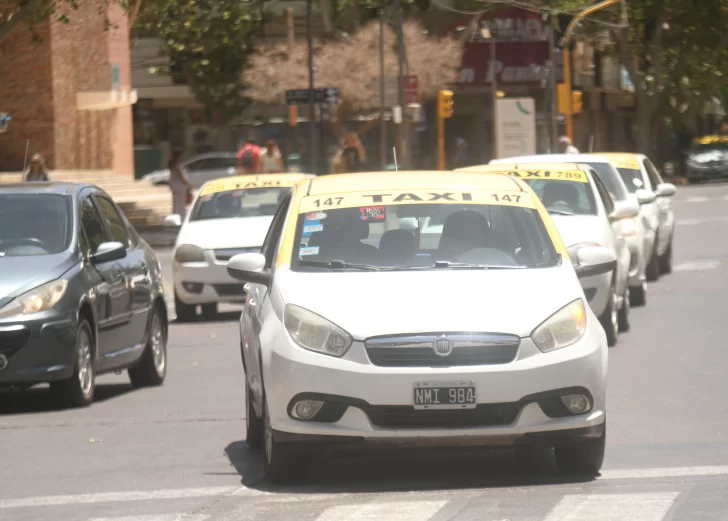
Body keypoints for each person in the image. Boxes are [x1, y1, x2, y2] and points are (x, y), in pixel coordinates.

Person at [169, 149, 193, 217]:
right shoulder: (176, 166)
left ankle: (179, 216)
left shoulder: (177, 165)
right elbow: (181, 177)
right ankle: (180, 216)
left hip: (179, 187)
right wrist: (189, 185)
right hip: (179, 187)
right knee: (180, 204)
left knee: (180, 203)